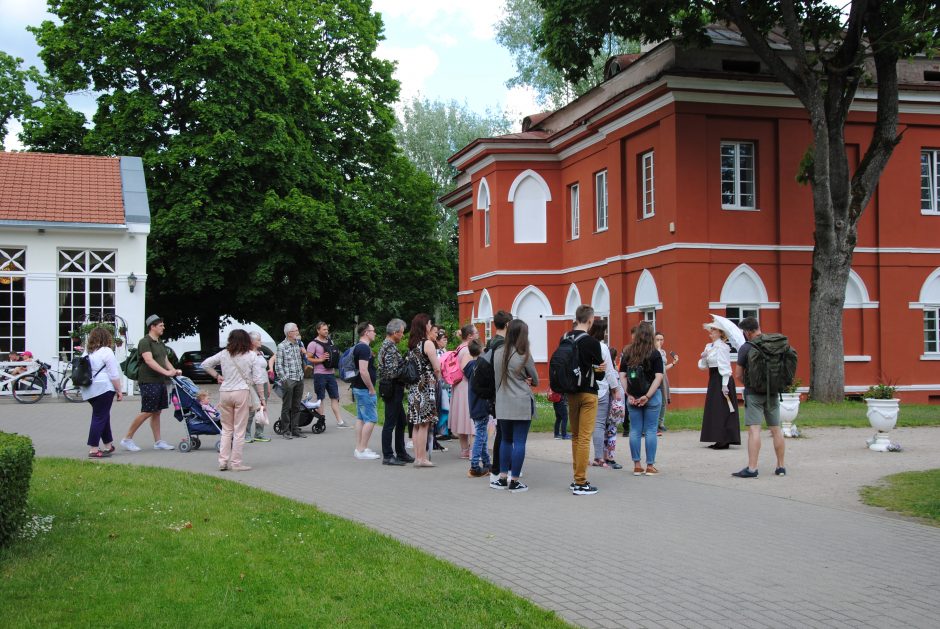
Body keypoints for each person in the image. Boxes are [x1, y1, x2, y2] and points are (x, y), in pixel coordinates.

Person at [201, 329, 267, 472]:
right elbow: (258, 379)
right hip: (242, 392)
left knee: (226, 429)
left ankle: (223, 461)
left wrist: (217, 376)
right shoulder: (251, 356)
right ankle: (236, 463)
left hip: (225, 392)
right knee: (239, 430)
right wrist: (262, 398)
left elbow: (205, 364)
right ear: (247, 341)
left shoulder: (224, 354)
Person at [732, 317, 787, 478]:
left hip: (754, 394)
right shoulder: (774, 344)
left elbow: (738, 374)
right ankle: (781, 467)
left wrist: (750, 383)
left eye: (744, 332)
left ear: (748, 332)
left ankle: (752, 468)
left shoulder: (746, 348)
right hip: (773, 392)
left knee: (754, 430)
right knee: (776, 429)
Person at [121, 315, 180, 451]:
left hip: (159, 381)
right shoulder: (144, 342)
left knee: (157, 412)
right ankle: (127, 439)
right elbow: (149, 360)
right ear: (152, 327)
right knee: (147, 411)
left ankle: (158, 441)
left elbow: (165, 360)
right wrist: (166, 373)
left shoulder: (160, 342)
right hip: (148, 381)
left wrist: (174, 371)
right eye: (161, 325)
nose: (163, 327)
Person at [492, 319, 538, 492]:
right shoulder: (523, 354)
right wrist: (527, 380)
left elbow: (497, 380)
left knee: (505, 439)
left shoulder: (498, 352)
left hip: (503, 402)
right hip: (521, 402)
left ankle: (502, 478)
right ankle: (515, 480)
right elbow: (535, 379)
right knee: (519, 442)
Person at [564, 305, 604, 495]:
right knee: (585, 437)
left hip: (570, 392)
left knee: (576, 436)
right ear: (590, 320)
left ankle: (576, 477)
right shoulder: (592, 342)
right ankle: (580, 482)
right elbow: (600, 374)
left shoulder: (564, 338)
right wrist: (600, 369)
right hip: (588, 392)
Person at [620, 321, 665, 475]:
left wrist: (629, 394)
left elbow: (622, 375)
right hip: (651, 397)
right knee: (651, 430)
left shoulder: (628, 352)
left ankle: (637, 465)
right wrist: (647, 396)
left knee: (635, 430)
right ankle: (650, 466)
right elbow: (658, 377)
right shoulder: (654, 353)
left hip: (633, 397)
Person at [80, 326, 124, 458]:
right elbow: (114, 374)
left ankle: (108, 445)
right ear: (107, 338)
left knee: (103, 415)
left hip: (89, 389)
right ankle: (93, 449)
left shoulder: (87, 352)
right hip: (104, 388)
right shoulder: (106, 351)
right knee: (99, 417)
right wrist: (119, 390)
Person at [698, 322, 741, 450]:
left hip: (722, 379)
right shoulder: (709, 346)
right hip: (713, 379)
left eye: (714, 330)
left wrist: (724, 385)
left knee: (722, 408)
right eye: (711, 329)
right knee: (714, 409)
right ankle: (717, 438)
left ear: (721, 333)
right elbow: (702, 366)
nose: (711, 331)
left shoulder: (722, 347)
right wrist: (704, 357)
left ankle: (724, 439)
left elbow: (725, 367)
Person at [407, 313, 441, 467]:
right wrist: (438, 377)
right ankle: (422, 458)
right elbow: (436, 367)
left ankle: (416, 457)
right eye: (429, 323)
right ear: (424, 325)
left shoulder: (413, 344)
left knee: (416, 423)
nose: (430, 326)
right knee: (424, 424)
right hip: (426, 387)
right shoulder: (427, 343)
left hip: (414, 387)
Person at [378, 318, 413, 465]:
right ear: (394, 332)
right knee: (390, 422)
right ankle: (388, 455)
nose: (403, 335)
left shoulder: (389, 346)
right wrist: (406, 367)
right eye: (401, 333)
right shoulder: (389, 347)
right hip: (392, 388)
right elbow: (392, 372)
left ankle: (401, 452)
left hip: (394, 388)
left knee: (401, 421)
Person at [590, 320, 624, 469]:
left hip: (585, 388)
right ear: (601, 331)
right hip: (601, 389)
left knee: (584, 425)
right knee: (599, 424)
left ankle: (583, 456)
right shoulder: (602, 347)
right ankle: (599, 457)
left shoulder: (583, 345)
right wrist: (616, 389)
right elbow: (609, 371)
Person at [485, 310, 512, 488]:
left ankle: (500, 469)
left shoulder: (490, 342)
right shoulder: (502, 345)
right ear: (508, 325)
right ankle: (498, 470)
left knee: (501, 432)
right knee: (503, 433)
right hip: (501, 393)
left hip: (491, 393)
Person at [308, 322, 347, 428]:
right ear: (318, 330)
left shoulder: (330, 341)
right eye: (324, 329)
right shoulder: (313, 343)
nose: (326, 331)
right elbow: (308, 358)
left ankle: (340, 422)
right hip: (319, 374)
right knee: (320, 398)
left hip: (331, 374)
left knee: (335, 397)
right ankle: (321, 421)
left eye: (327, 329)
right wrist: (321, 359)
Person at [351, 321, 380, 460]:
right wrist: (371, 388)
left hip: (358, 387)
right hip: (364, 389)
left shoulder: (359, 347)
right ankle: (362, 449)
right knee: (371, 418)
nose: (375, 333)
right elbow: (363, 370)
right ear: (366, 332)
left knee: (361, 418)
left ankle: (359, 447)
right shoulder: (363, 349)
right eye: (373, 330)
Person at [463, 339, 491, 477]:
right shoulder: (481, 366)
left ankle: (487, 463)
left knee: (482, 434)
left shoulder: (470, 366)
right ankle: (474, 466)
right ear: (481, 349)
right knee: (480, 435)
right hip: (481, 404)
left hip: (474, 404)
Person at [449, 324, 477, 459]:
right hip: (466, 386)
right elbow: (466, 369)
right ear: (470, 336)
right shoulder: (467, 350)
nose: (478, 335)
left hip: (459, 386)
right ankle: (472, 451)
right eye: (476, 333)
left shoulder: (460, 347)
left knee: (462, 418)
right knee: (470, 418)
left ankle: (465, 450)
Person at [275, 322, 307, 439]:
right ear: (289, 333)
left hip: (299, 378)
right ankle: (285, 430)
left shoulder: (298, 344)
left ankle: (295, 429)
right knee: (287, 406)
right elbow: (278, 366)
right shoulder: (282, 346)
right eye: (296, 330)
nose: (298, 332)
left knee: (297, 405)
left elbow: (304, 359)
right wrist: (285, 380)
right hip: (289, 379)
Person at [244, 332, 271, 443]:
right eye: (258, 340)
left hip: (263, 383)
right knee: (251, 409)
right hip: (253, 384)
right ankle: (246, 434)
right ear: (252, 342)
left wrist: (268, 384)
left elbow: (264, 370)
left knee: (262, 409)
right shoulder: (247, 354)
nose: (261, 342)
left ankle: (259, 433)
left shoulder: (260, 353)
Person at [654, 332, 678, 435]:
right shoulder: (654, 351)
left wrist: (673, 363)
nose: (660, 342)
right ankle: (654, 424)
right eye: (657, 339)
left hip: (664, 378)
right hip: (655, 378)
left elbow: (663, 367)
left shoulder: (663, 351)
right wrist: (658, 349)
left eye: (661, 339)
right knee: (657, 401)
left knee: (664, 401)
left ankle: (661, 422)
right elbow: (657, 361)